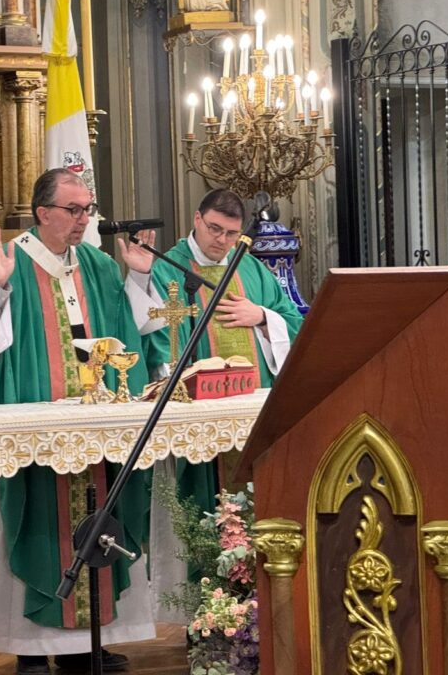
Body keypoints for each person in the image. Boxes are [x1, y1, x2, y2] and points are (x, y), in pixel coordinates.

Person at [0, 169, 166, 675]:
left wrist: (138, 278)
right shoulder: (11, 260)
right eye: (73, 209)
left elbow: (137, 331)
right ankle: (29, 647)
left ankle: (89, 645)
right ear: (43, 212)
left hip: (96, 426)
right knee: (34, 524)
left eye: (88, 208)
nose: (84, 218)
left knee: (100, 522)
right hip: (36, 426)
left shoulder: (97, 263)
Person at [146, 189, 303, 592]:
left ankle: (249, 598)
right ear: (196, 219)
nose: (222, 240)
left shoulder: (251, 269)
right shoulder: (167, 267)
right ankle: (204, 601)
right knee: (201, 506)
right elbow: (155, 338)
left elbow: (295, 321)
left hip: (250, 413)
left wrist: (262, 316)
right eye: (215, 229)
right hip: (198, 415)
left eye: (232, 233)